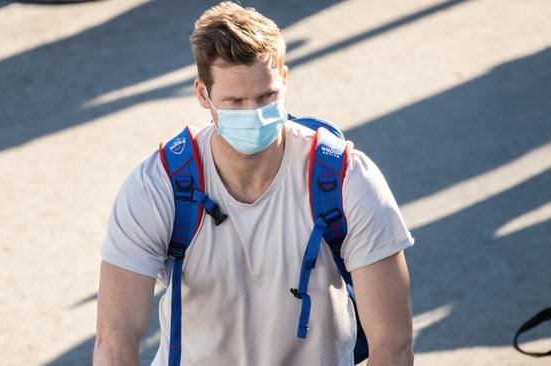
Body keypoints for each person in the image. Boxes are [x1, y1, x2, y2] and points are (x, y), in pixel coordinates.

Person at [93, 2, 415, 365]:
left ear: (285, 80)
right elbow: (113, 341)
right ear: (203, 95)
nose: (254, 114)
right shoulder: (157, 186)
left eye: (266, 97)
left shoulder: (345, 179)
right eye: (234, 101)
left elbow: (393, 342)